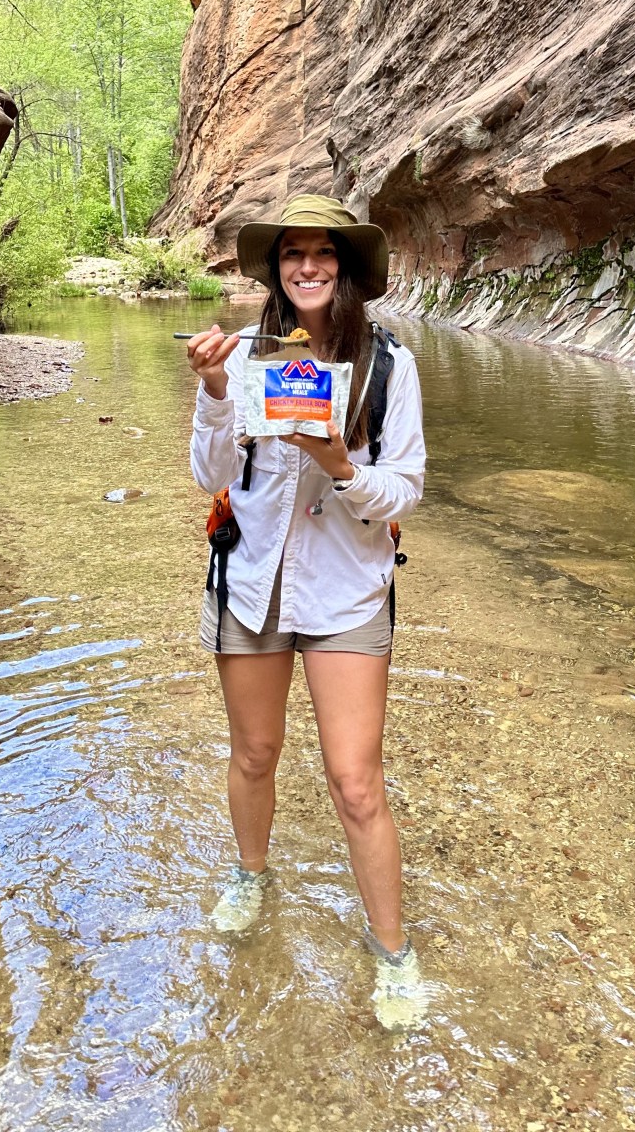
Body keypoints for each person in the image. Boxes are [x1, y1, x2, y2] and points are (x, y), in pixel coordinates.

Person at [185, 194, 428, 1030]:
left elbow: (407, 488)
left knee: (356, 782)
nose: (308, 267)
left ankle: (392, 951)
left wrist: (340, 463)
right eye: (293, 254)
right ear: (276, 270)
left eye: (324, 253)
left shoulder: (389, 365)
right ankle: (251, 875)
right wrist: (217, 391)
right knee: (254, 753)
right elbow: (207, 469)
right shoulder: (248, 357)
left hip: (347, 590)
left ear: (348, 269)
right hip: (252, 582)